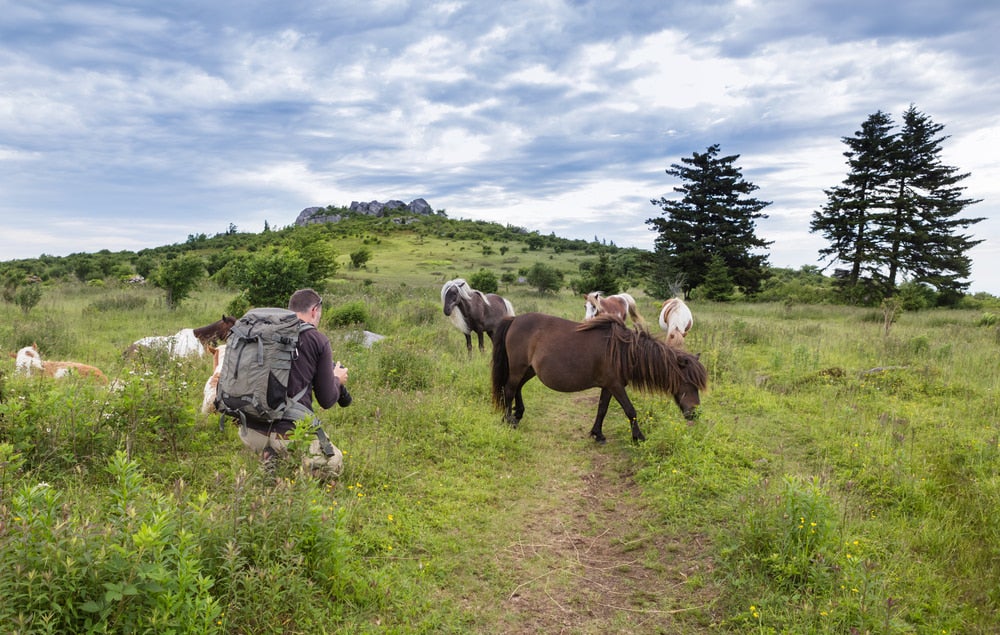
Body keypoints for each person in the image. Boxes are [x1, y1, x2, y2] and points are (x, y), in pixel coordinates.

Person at [237, 288, 351, 478]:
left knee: (276, 454)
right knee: (335, 463)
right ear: (314, 311)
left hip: (250, 430)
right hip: (287, 436)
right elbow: (327, 400)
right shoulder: (317, 339)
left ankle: (271, 459)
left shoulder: (264, 332)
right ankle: (291, 470)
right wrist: (337, 379)